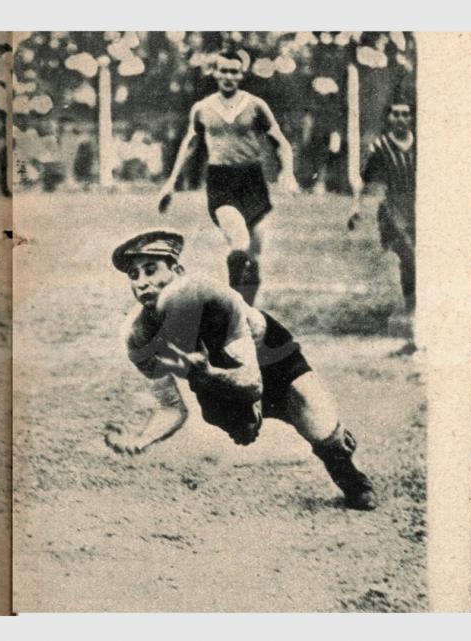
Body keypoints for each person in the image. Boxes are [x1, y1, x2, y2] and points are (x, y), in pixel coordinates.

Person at [104, 231, 378, 511]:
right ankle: (252, 417)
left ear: (178, 271)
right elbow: (171, 408)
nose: (142, 283)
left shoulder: (215, 300)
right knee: (242, 430)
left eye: (151, 270)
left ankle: (351, 478)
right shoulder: (138, 335)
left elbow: (252, 383)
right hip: (216, 376)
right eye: (134, 276)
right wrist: (141, 439)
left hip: (269, 355)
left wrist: (210, 375)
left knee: (321, 428)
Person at [157, 49, 299, 305]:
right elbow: (190, 143)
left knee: (253, 256)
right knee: (239, 243)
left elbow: (281, 143)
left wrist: (288, 172)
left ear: (242, 74)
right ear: (214, 72)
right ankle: (234, 309)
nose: (228, 76)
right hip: (221, 181)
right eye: (223, 70)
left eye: (234, 71)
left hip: (253, 180)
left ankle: (247, 311)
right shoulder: (202, 108)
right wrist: (170, 183)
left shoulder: (256, 105)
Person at [349, 101, 416, 334]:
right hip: (393, 208)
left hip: (419, 205)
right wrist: (356, 208)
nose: (400, 119)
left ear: (411, 118)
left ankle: (418, 303)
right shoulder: (380, 147)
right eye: (396, 114)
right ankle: (412, 306)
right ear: (389, 118)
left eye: (405, 114)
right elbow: (365, 181)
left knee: (418, 255)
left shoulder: (422, 144)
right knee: (408, 254)